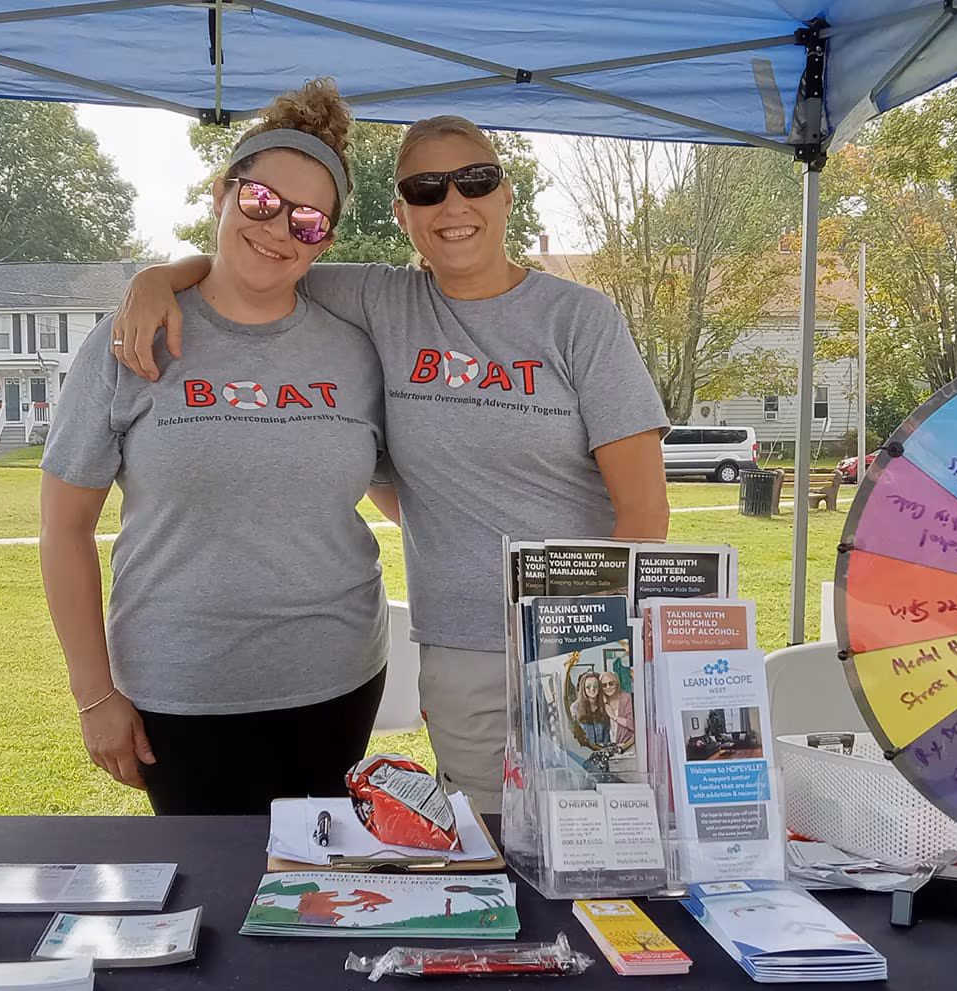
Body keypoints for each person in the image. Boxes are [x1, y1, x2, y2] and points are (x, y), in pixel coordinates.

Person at [111, 114, 670, 811]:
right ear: (402, 214)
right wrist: (158, 277)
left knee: (601, 840)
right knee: (492, 852)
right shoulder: (381, 300)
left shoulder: (580, 318)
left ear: (506, 196)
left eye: (475, 181)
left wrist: (596, 653)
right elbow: (259, 259)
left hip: (585, 647)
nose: (454, 203)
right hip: (460, 644)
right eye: (427, 189)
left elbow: (645, 511)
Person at [40, 78, 389, 816]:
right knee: (210, 903)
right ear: (221, 193)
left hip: (338, 679)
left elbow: (394, 486)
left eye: (309, 222)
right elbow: (63, 529)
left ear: (327, 238)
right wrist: (94, 694)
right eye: (261, 202)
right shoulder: (129, 341)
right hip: (179, 691)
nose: (278, 231)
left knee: (315, 894)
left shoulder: (356, 352)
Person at [601, 675, 635, 745]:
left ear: (616, 683)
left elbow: (633, 725)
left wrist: (614, 717)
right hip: (609, 745)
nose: (608, 687)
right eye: (604, 685)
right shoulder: (602, 702)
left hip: (627, 744)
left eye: (611, 683)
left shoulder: (626, 698)